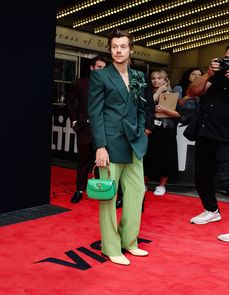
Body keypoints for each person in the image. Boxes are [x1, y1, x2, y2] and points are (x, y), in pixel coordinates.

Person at [88, 28, 148, 265]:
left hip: (134, 144)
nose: (118, 51)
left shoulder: (139, 77)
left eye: (123, 46)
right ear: (110, 49)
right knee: (109, 197)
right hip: (111, 143)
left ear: (130, 49)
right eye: (114, 47)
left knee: (136, 194)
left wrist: (141, 131)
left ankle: (129, 241)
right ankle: (111, 247)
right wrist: (100, 146)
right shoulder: (101, 76)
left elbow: (143, 109)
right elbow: (95, 113)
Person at [188, 43, 229, 242]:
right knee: (202, 177)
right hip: (206, 135)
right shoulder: (214, 77)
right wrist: (208, 73)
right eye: (228, 59)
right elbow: (193, 91)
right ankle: (211, 210)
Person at [67, 56, 106, 203]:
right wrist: (74, 121)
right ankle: (79, 190)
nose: (101, 70)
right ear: (92, 68)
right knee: (82, 161)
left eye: (104, 67)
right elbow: (70, 102)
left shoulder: (107, 85)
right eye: (99, 67)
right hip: (84, 128)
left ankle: (99, 189)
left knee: (100, 161)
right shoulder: (81, 83)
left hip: (101, 129)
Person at [144, 70, 180, 196]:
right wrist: (158, 93)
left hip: (166, 132)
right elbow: (145, 106)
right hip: (149, 130)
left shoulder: (172, 95)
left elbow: (178, 114)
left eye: (159, 78)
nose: (156, 80)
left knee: (166, 157)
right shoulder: (146, 93)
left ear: (165, 80)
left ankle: (161, 185)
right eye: (153, 78)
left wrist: (164, 110)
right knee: (146, 157)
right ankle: (143, 183)